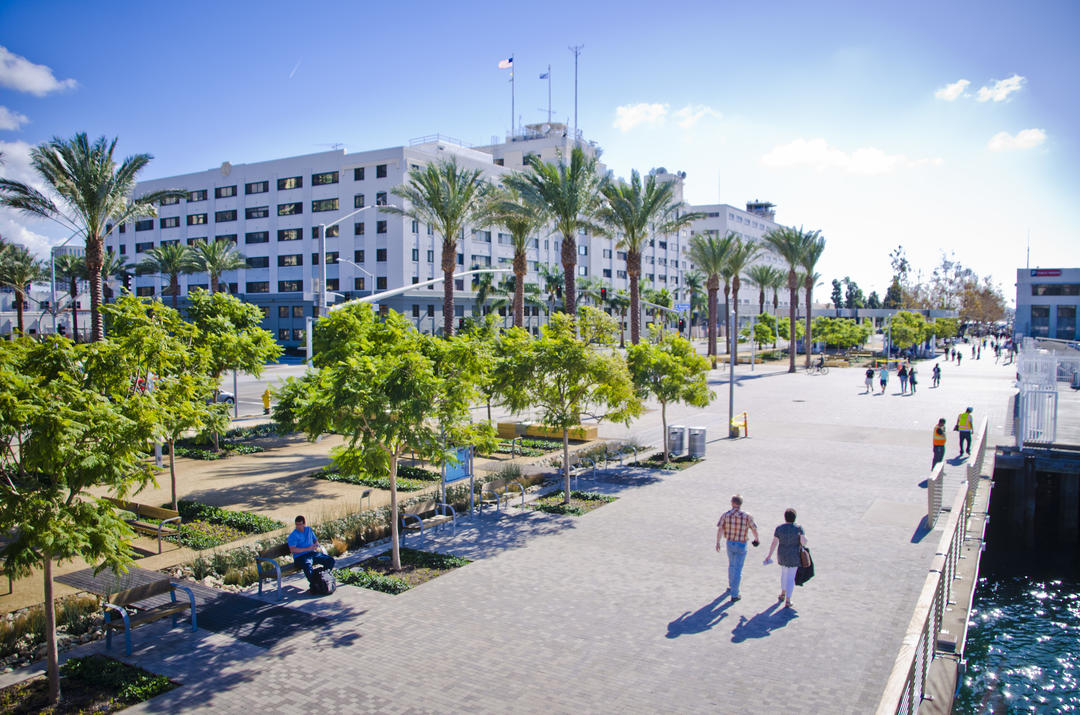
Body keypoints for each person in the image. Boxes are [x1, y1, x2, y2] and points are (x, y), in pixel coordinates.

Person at [716, 495, 759, 602]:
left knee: (731, 564)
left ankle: (731, 586)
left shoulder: (726, 515)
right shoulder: (747, 516)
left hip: (730, 542)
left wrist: (718, 542)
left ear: (732, 503)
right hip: (741, 543)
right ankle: (735, 593)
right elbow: (753, 528)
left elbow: (720, 529)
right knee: (738, 568)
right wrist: (756, 538)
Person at [763, 508, 807, 609]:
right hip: (794, 555)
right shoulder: (799, 528)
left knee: (784, 574)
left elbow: (774, 543)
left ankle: (782, 593)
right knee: (791, 577)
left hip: (782, 554)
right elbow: (803, 542)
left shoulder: (779, 528)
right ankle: (788, 599)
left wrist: (769, 555)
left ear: (785, 517)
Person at [288, 515, 335, 590]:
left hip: (312, 554)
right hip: (300, 557)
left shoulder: (309, 530)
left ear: (304, 524)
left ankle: (321, 577)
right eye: (297, 525)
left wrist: (316, 544)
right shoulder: (293, 535)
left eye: (300, 524)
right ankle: (314, 585)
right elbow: (293, 550)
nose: (298, 526)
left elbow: (315, 540)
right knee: (307, 565)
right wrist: (307, 548)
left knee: (330, 560)